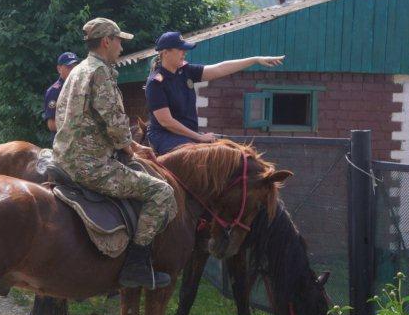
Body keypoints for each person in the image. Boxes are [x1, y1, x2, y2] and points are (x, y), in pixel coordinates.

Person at [53, 17, 176, 289]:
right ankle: (136, 265)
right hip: (90, 165)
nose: (121, 46)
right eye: (119, 40)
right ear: (107, 41)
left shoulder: (79, 70)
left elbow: (64, 115)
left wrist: (132, 145)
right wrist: (128, 148)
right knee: (162, 192)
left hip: (65, 157)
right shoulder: (101, 72)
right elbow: (115, 121)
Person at [145, 31, 285, 155]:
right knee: (197, 157)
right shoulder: (156, 82)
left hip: (188, 137)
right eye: (180, 49)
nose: (184, 52)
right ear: (165, 52)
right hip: (165, 137)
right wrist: (199, 137)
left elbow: (220, 68)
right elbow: (166, 122)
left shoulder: (186, 71)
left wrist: (255, 60)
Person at [43, 51, 79, 134]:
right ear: (59, 69)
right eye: (69, 67)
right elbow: (51, 124)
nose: (73, 70)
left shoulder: (80, 87)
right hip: (62, 142)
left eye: (75, 67)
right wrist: (75, 130)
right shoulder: (54, 91)